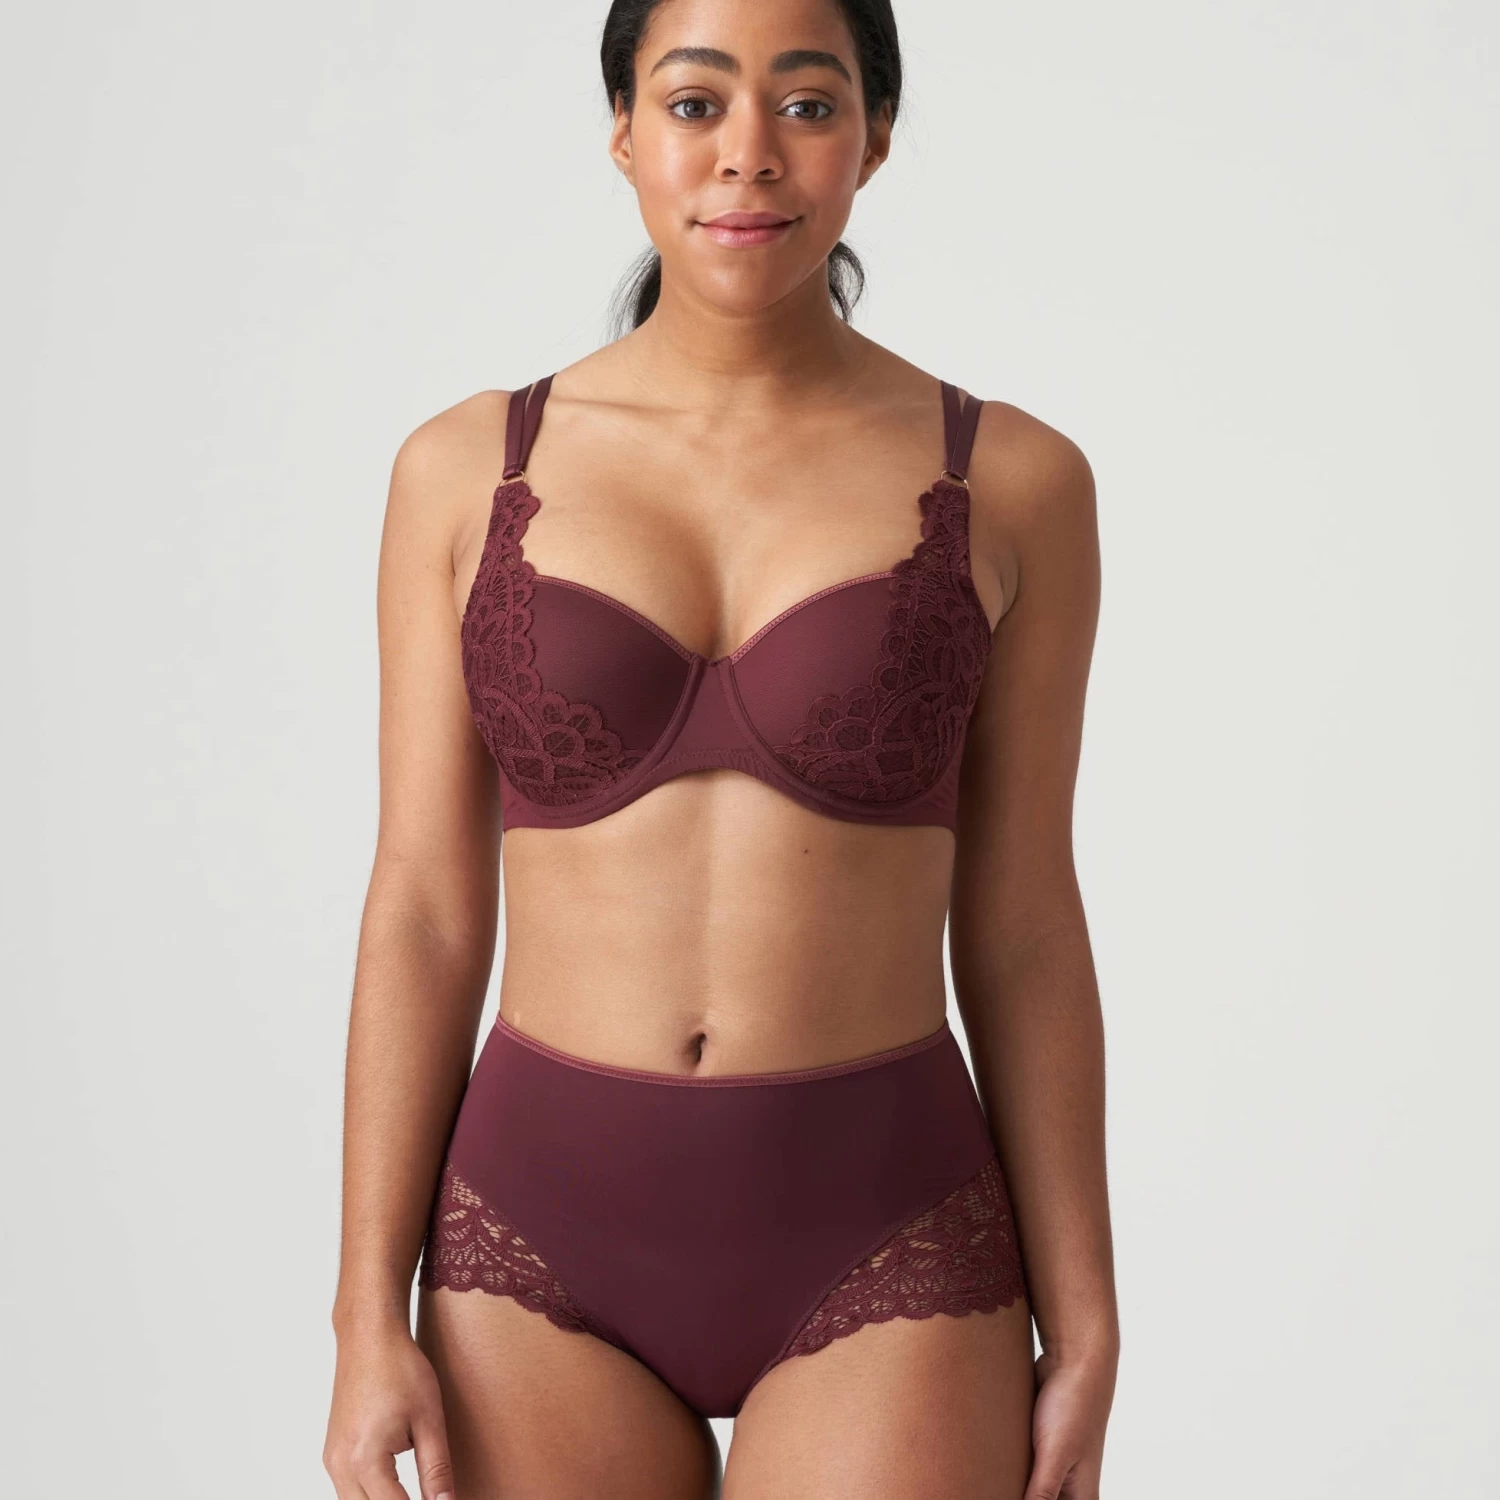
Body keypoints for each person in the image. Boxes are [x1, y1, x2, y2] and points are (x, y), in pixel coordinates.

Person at [323, 1, 1117, 1496]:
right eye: (695, 104)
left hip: (891, 1236)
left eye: (807, 105)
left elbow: (1023, 926)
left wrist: (1087, 1329)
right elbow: (422, 908)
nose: (749, 154)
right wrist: (364, 1313)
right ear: (624, 133)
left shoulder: (1015, 481)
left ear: (875, 138)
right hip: (531, 1248)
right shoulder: (465, 471)